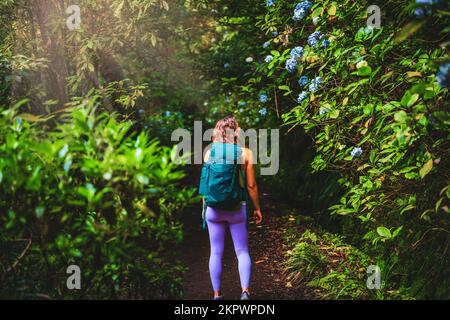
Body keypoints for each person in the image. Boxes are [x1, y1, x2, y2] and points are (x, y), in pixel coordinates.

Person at [201, 115, 263, 300]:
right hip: (237, 208)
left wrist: (204, 208)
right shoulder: (245, 153)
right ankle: (245, 291)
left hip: (213, 209)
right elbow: (251, 186)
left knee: (216, 252)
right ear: (236, 132)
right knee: (242, 251)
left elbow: (206, 184)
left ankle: (216, 295)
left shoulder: (209, 152)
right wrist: (257, 208)